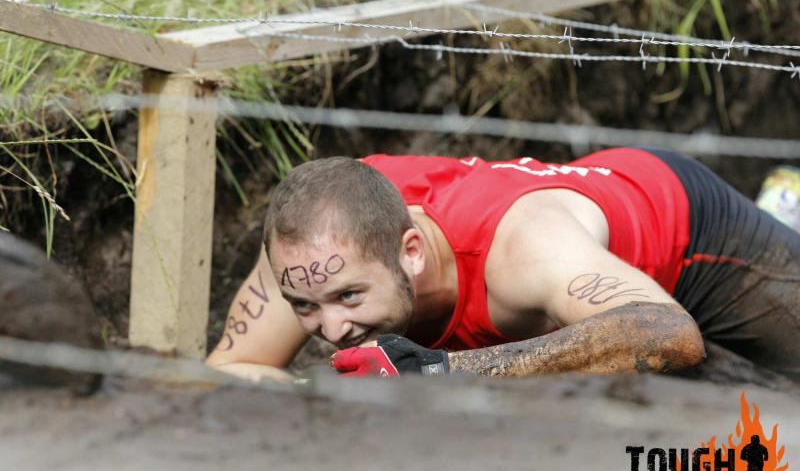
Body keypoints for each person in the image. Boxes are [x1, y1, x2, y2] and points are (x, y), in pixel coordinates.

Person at [206, 147, 800, 382]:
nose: (331, 328)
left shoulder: (523, 250)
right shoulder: (311, 252)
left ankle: (782, 209)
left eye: (350, 298)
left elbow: (668, 333)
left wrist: (440, 372)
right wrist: (309, 393)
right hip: (577, 233)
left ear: (411, 252)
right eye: (305, 307)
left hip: (691, 233)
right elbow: (232, 369)